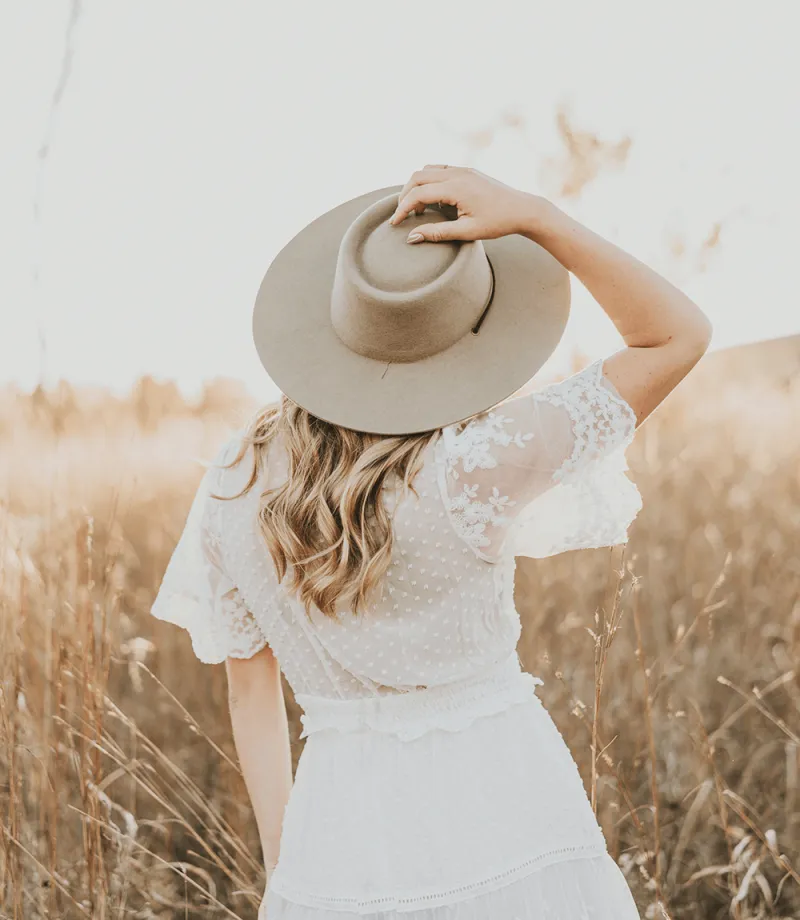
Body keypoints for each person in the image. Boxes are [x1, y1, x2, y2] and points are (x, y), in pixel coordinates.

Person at [151, 165, 712, 919]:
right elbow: (677, 335)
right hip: (506, 813)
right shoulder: (478, 465)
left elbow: (249, 690)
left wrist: (289, 871)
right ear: (463, 341)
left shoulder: (235, 475)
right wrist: (539, 217)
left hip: (334, 835)